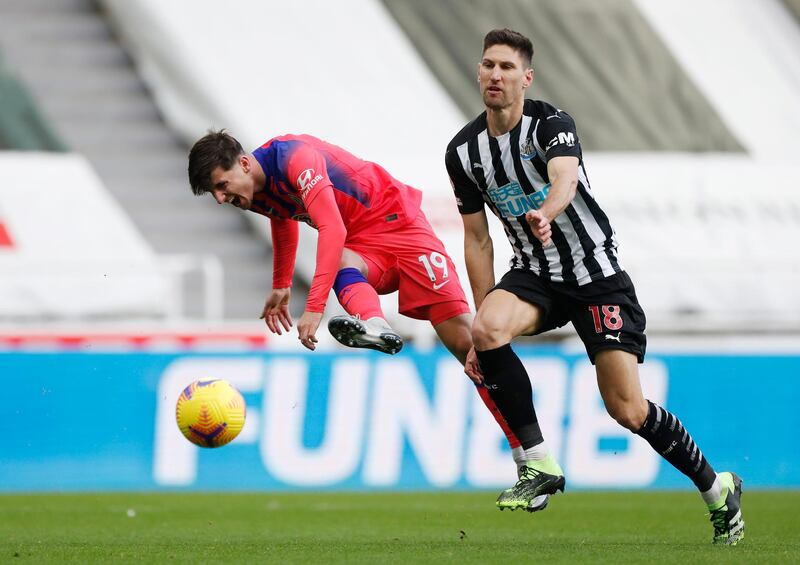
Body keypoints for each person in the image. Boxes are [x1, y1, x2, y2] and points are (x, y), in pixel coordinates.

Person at [445, 28, 744, 545]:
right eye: (489, 65)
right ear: (479, 72)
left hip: (596, 277)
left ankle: (716, 489)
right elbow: (476, 240)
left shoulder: (551, 123)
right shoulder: (463, 152)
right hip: (536, 274)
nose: (496, 75)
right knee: (487, 327)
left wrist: (548, 211)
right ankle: (537, 464)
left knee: (627, 409)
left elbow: (565, 178)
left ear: (526, 78)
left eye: (507, 68)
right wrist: (481, 313)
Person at [187, 130, 541, 489]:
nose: (220, 198)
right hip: (362, 246)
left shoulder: (295, 158)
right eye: (214, 192)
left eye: (221, 185)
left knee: (471, 349)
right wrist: (281, 283)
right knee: (343, 262)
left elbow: (331, 227)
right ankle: (375, 323)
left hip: (399, 225)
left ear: (244, 164)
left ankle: (531, 456)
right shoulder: (252, 190)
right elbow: (283, 217)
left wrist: (315, 306)